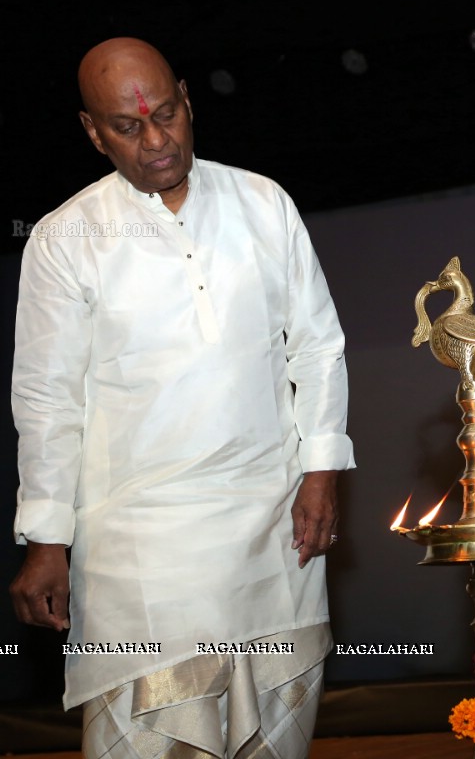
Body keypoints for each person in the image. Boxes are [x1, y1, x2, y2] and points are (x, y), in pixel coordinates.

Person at [9, 38, 354, 758]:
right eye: (129, 127)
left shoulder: (263, 202)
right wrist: (47, 536)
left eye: (166, 114)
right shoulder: (64, 238)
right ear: (92, 131)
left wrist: (321, 469)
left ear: (188, 101)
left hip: (272, 524)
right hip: (141, 545)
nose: (157, 139)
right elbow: (47, 398)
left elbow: (317, 346)